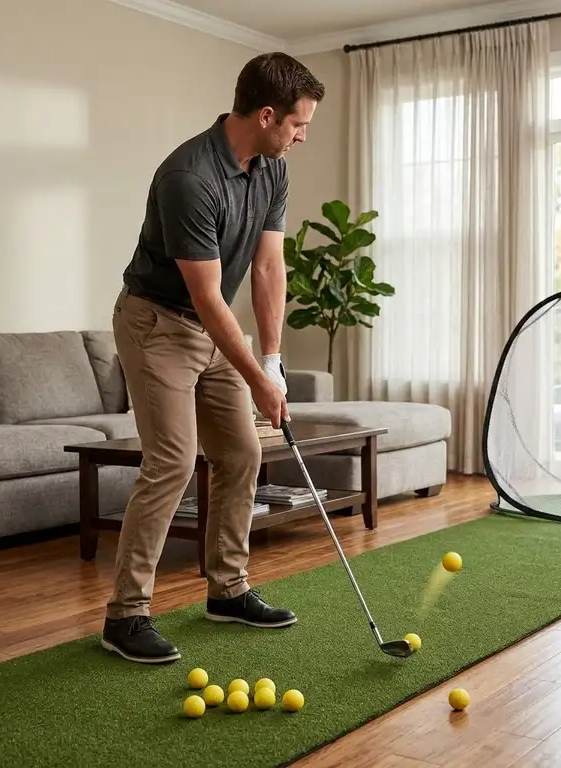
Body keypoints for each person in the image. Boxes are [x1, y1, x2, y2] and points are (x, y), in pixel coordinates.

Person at [101, 52, 325, 664]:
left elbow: (268, 265)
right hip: (157, 325)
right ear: (268, 113)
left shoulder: (271, 167)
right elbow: (202, 294)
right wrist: (256, 378)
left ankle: (228, 590)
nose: (303, 135)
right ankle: (125, 617)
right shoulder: (189, 177)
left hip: (212, 327)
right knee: (172, 461)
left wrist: (272, 360)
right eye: (299, 124)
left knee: (241, 450)